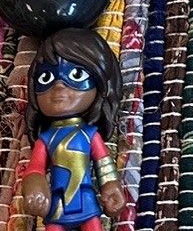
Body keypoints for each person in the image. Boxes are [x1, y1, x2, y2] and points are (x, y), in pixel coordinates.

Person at [17, 28, 128, 231]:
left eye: (76, 75)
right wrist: (34, 184)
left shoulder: (89, 135)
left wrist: (111, 185)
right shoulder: (46, 139)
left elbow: (103, 164)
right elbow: (35, 168)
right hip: (56, 203)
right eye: (46, 79)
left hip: (86, 199)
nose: (59, 86)